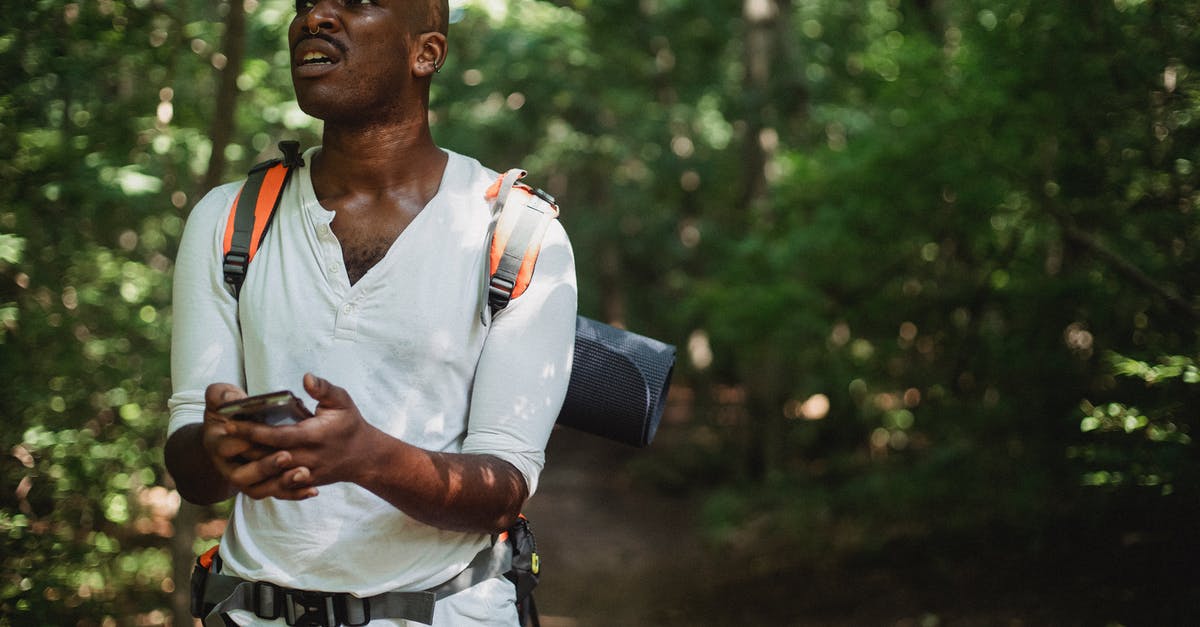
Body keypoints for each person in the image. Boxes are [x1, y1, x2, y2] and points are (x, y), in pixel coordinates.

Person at [163, 0, 577, 624]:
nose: (315, 18)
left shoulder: (517, 234)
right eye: (304, 5)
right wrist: (219, 451)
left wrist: (367, 456)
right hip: (251, 611)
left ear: (426, 52)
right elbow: (192, 470)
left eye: (355, 2)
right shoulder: (229, 220)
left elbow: (502, 491)